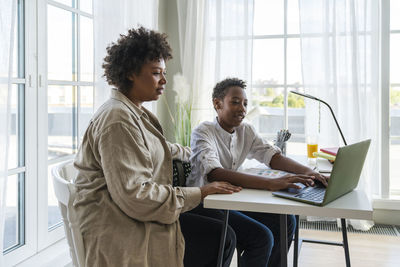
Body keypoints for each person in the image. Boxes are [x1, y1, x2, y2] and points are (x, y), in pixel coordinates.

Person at [72, 27, 242, 267]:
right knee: (220, 236)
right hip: (121, 223)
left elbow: (163, 148)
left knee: (223, 233)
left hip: (128, 212)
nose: (164, 80)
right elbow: (136, 197)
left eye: (163, 73)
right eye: (156, 73)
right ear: (131, 73)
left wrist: (204, 154)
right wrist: (201, 192)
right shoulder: (118, 120)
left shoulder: (132, 111)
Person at [186, 77, 329, 267]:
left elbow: (273, 157)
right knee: (262, 237)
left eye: (245, 103)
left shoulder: (246, 130)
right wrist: (271, 183)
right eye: (235, 102)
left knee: (286, 221)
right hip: (205, 203)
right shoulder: (203, 131)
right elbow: (215, 173)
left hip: (229, 200)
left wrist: (310, 172)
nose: (242, 108)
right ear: (217, 104)